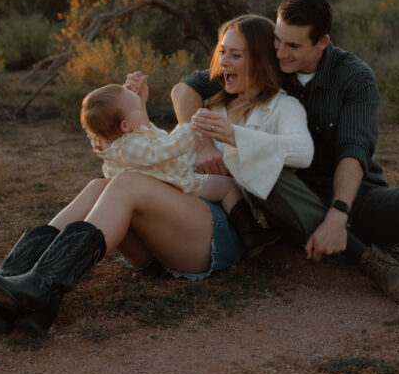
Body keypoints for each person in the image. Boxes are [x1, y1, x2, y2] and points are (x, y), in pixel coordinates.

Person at [0, 14, 312, 336]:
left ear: (259, 60)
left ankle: (40, 289)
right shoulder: (215, 101)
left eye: (235, 54)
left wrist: (234, 135)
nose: (222, 61)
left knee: (126, 183)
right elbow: (160, 157)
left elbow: (303, 151)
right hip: (171, 225)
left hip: (220, 232)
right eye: (221, 52)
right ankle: (11, 282)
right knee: (98, 185)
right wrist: (142, 113)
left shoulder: (283, 107)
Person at [172, 0, 399, 336]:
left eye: (294, 47)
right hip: (288, 201)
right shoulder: (268, 59)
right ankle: (383, 270)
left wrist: (338, 213)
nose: (281, 53)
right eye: (278, 41)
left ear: (322, 42)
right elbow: (185, 89)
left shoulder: (355, 78)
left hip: (357, 199)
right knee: (267, 163)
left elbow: (354, 151)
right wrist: (200, 144)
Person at [80, 76, 279, 255]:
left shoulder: (110, 144)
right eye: (136, 108)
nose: (139, 108)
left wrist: (136, 103)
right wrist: (193, 126)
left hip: (157, 191)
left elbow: (144, 134)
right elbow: (164, 147)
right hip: (180, 182)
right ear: (125, 125)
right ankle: (250, 233)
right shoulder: (133, 147)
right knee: (227, 187)